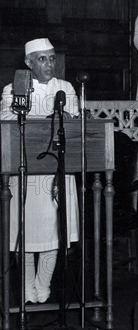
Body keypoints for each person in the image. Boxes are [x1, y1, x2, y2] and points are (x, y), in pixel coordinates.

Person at [0, 38, 80, 304]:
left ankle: (43, 284)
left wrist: (67, 120)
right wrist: (44, 120)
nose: (49, 64)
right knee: (26, 234)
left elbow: (74, 120)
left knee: (53, 233)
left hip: (57, 172)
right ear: (28, 62)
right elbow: (8, 120)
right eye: (42, 59)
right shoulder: (14, 88)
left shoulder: (66, 88)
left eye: (52, 58)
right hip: (26, 173)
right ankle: (25, 287)